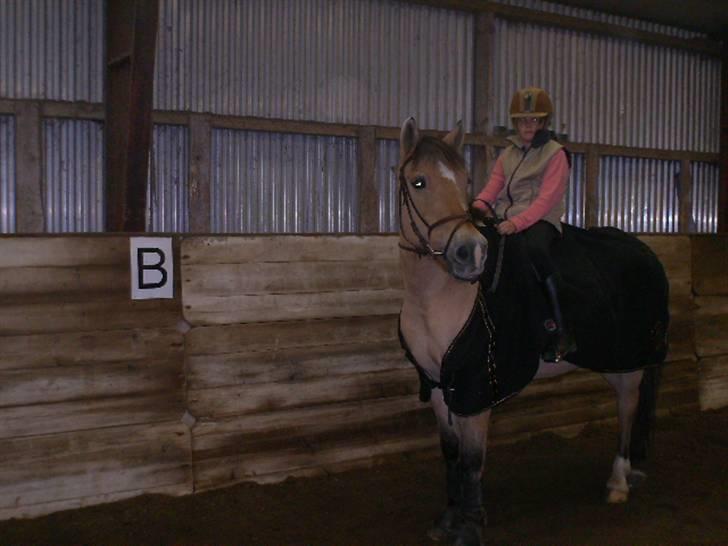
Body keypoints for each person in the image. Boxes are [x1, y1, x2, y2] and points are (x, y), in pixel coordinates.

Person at [471, 86, 575, 362]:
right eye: (522, 120)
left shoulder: (556, 154)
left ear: (543, 122)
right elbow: (492, 189)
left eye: (534, 120)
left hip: (541, 220)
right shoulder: (508, 154)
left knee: (536, 252)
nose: (528, 126)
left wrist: (517, 223)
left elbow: (546, 199)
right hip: (508, 218)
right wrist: (474, 210)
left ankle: (561, 328)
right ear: (515, 123)